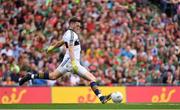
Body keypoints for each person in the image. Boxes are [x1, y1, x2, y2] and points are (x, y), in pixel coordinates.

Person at [19, 17, 111, 104]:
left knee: (53, 76)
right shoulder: (71, 34)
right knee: (92, 78)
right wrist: (74, 62)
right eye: (77, 25)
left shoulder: (68, 33)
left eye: (80, 26)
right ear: (72, 24)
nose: (79, 28)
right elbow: (70, 48)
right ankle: (101, 98)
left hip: (67, 61)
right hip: (72, 62)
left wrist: (52, 48)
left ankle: (30, 76)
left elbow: (60, 42)